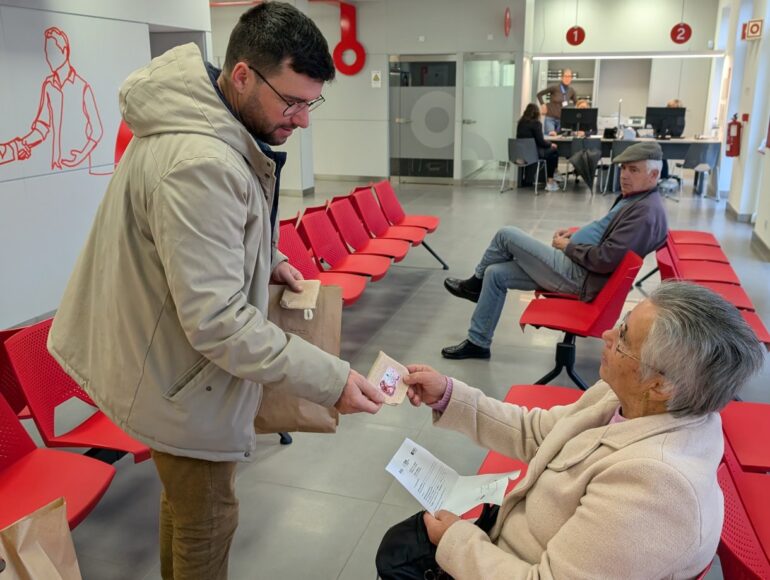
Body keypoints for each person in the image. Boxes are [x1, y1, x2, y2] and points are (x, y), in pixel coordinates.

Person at [48, 3, 384, 578]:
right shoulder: (202, 160)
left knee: (186, 511)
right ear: (244, 75)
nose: (303, 120)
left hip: (167, 365)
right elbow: (218, 321)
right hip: (181, 380)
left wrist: (267, 259)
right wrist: (332, 379)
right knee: (206, 525)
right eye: (293, 101)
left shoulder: (208, 127)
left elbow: (204, 239)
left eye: (312, 102)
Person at [378, 282, 765, 580]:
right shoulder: (624, 398)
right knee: (402, 543)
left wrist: (455, 541)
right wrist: (448, 395)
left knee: (398, 552)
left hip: (515, 560)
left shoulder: (656, 489)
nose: (606, 336)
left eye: (624, 338)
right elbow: (538, 433)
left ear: (661, 384)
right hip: (513, 542)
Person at [442, 141, 668, 360]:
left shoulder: (644, 213)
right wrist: (577, 233)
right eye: (623, 168)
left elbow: (606, 259)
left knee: (506, 235)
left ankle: (474, 285)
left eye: (634, 170)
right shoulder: (638, 199)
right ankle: (478, 343)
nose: (625, 175)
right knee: (495, 273)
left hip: (580, 277)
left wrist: (570, 247)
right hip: (578, 268)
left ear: (654, 175)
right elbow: (608, 233)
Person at [515, 103, 560, 192]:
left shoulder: (521, 122)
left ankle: (527, 181)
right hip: (533, 154)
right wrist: (551, 144)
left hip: (520, 154)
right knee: (554, 151)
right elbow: (541, 141)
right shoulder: (536, 123)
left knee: (550, 152)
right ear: (536, 113)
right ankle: (551, 180)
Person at [537, 68, 577, 135]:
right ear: (562, 77)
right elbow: (539, 95)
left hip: (562, 120)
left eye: (569, 76)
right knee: (551, 137)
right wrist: (543, 105)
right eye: (566, 76)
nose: (567, 78)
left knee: (560, 140)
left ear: (571, 78)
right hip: (550, 119)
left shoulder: (571, 91)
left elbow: (577, 103)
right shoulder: (554, 88)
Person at [660, 99, 685, 180]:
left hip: (673, 144)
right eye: (668, 107)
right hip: (662, 141)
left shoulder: (680, 119)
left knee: (661, 155)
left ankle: (663, 177)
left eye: (671, 108)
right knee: (659, 153)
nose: (668, 109)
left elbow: (677, 133)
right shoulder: (664, 117)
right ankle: (661, 176)